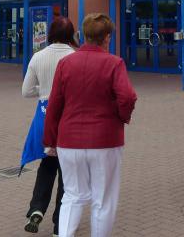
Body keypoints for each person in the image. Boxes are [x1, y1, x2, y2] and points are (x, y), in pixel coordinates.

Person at [44, 13, 137, 237]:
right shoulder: (114, 63)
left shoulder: (65, 63)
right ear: (107, 37)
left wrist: (50, 140)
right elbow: (127, 97)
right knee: (103, 200)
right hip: (105, 139)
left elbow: (54, 104)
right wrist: (121, 117)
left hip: (68, 140)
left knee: (72, 196)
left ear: (83, 35)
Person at [20, 17, 78, 235]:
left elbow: (26, 91)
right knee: (67, 173)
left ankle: (37, 208)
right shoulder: (74, 57)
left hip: (44, 115)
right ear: (71, 34)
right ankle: (59, 225)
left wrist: (45, 91)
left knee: (47, 164)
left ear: (51, 33)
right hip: (68, 116)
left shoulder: (38, 56)